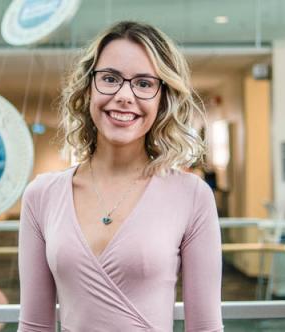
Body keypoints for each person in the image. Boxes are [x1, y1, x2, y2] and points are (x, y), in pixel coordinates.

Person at [18, 21, 223, 331]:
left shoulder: (191, 196)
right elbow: (34, 327)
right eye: (110, 78)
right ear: (88, 89)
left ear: (162, 97)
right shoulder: (41, 195)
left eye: (143, 83)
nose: (125, 95)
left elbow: (205, 328)